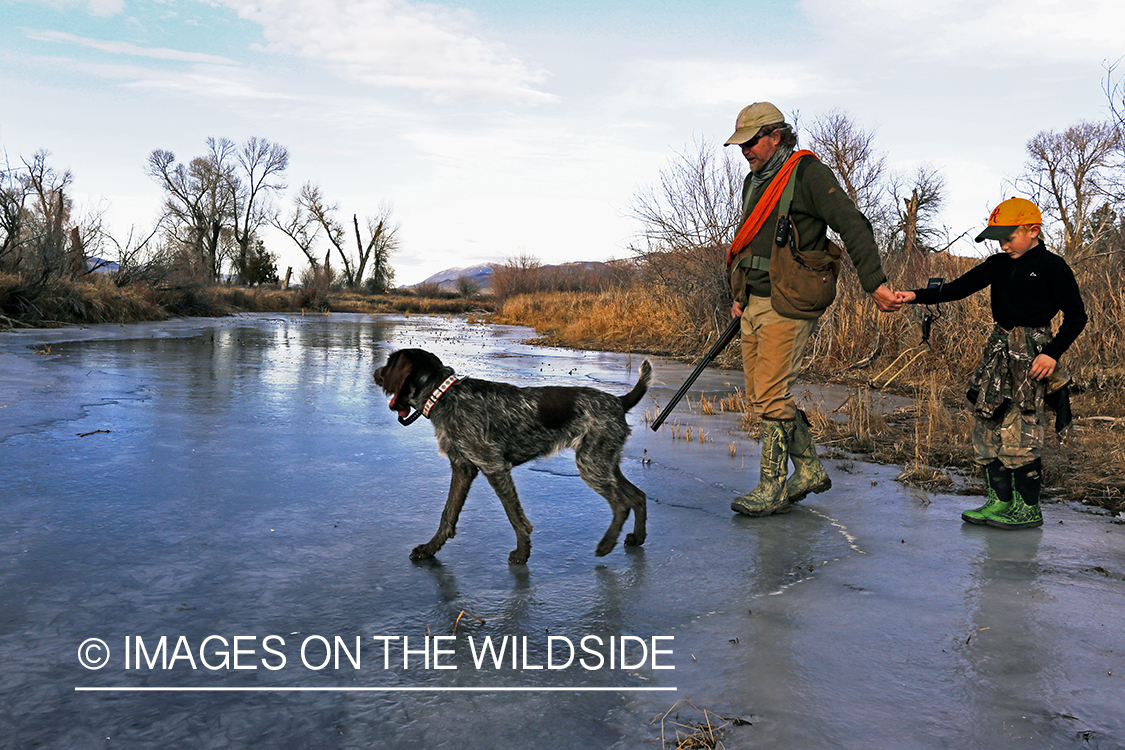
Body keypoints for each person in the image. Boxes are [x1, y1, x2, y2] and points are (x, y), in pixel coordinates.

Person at [723, 102, 901, 518]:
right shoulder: (755, 181)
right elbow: (748, 243)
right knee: (760, 395)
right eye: (740, 144)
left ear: (776, 136)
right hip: (754, 300)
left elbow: (854, 224)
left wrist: (875, 283)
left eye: (751, 141)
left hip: (790, 300)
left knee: (770, 395)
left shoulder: (808, 174)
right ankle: (809, 470)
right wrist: (739, 292)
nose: (745, 150)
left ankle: (772, 487)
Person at [896, 197, 1087, 529]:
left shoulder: (1054, 267)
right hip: (997, 353)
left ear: (1033, 230)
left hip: (1032, 357)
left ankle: (1027, 509)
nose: (1003, 244)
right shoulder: (998, 264)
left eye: (1009, 236)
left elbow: (1077, 317)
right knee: (986, 426)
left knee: (1022, 431)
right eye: (999, 238)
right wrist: (913, 296)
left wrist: (1051, 353)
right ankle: (999, 503)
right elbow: (957, 289)